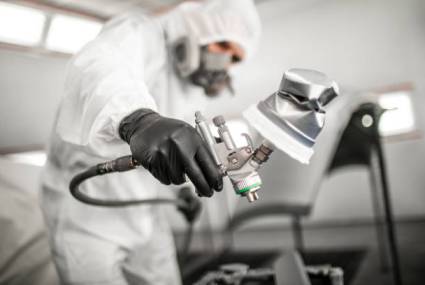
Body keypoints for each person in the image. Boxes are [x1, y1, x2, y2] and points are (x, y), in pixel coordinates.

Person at [40, 0, 261, 284]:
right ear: (198, 28)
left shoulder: (188, 84)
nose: (225, 62)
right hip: (88, 217)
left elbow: (165, 147)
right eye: (223, 45)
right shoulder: (142, 33)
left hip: (147, 214)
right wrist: (139, 120)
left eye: (235, 58)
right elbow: (102, 65)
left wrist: (178, 192)